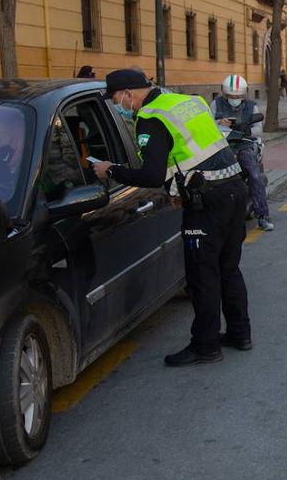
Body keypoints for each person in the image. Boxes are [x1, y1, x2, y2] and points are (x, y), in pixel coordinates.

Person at [91, 69, 253, 368]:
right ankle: (240, 333)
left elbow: (151, 174)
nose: (117, 104)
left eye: (115, 98)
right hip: (233, 189)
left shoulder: (151, 118)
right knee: (228, 268)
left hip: (208, 203)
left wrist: (110, 169)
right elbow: (192, 154)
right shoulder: (185, 101)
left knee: (203, 276)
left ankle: (205, 346)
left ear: (128, 93)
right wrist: (179, 187)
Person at [213, 75, 274, 232]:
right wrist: (218, 122)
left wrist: (244, 129)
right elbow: (207, 122)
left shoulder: (251, 107)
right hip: (222, 146)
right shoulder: (216, 104)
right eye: (231, 97)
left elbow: (258, 130)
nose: (235, 99)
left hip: (244, 145)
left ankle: (263, 216)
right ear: (224, 94)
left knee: (254, 175)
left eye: (238, 97)